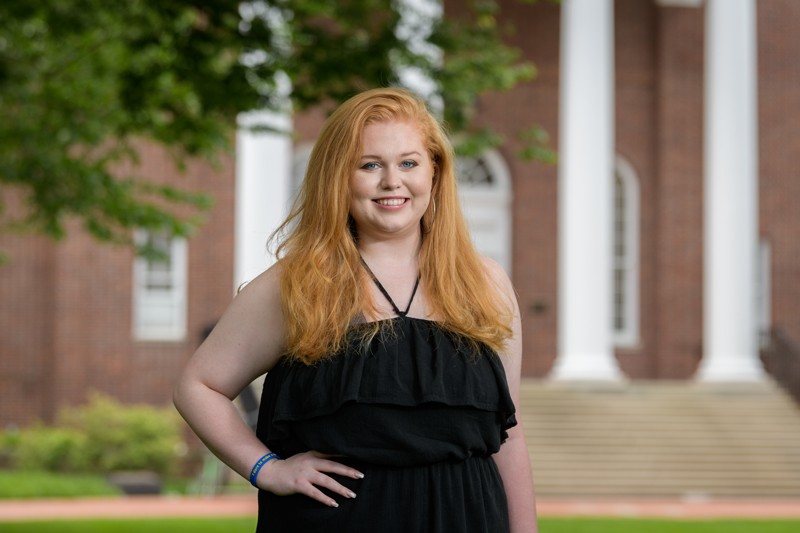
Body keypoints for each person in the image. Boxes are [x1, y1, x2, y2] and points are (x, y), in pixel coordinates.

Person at [174, 87, 538, 532]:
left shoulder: (485, 283)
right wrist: (266, 468)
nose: (392, 181)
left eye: (409, 163)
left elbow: (509, 435)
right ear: (338, 178)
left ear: (435, 174)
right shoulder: (298, 284)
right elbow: (199, 385)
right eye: (370, 165)